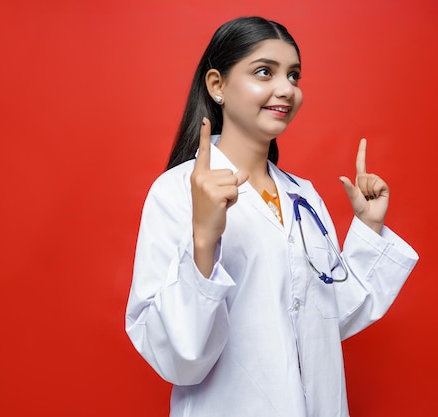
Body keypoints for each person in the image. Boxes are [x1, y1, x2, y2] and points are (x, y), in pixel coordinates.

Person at [125, 16, 418, 417]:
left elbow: (326, 320)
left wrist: (368, 227)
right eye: (265, 72)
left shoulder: (304, 197)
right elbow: (180, 357)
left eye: (294, 76)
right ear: (218, 86)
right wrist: (204, 239)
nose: (286, 90)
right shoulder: (176, 192)